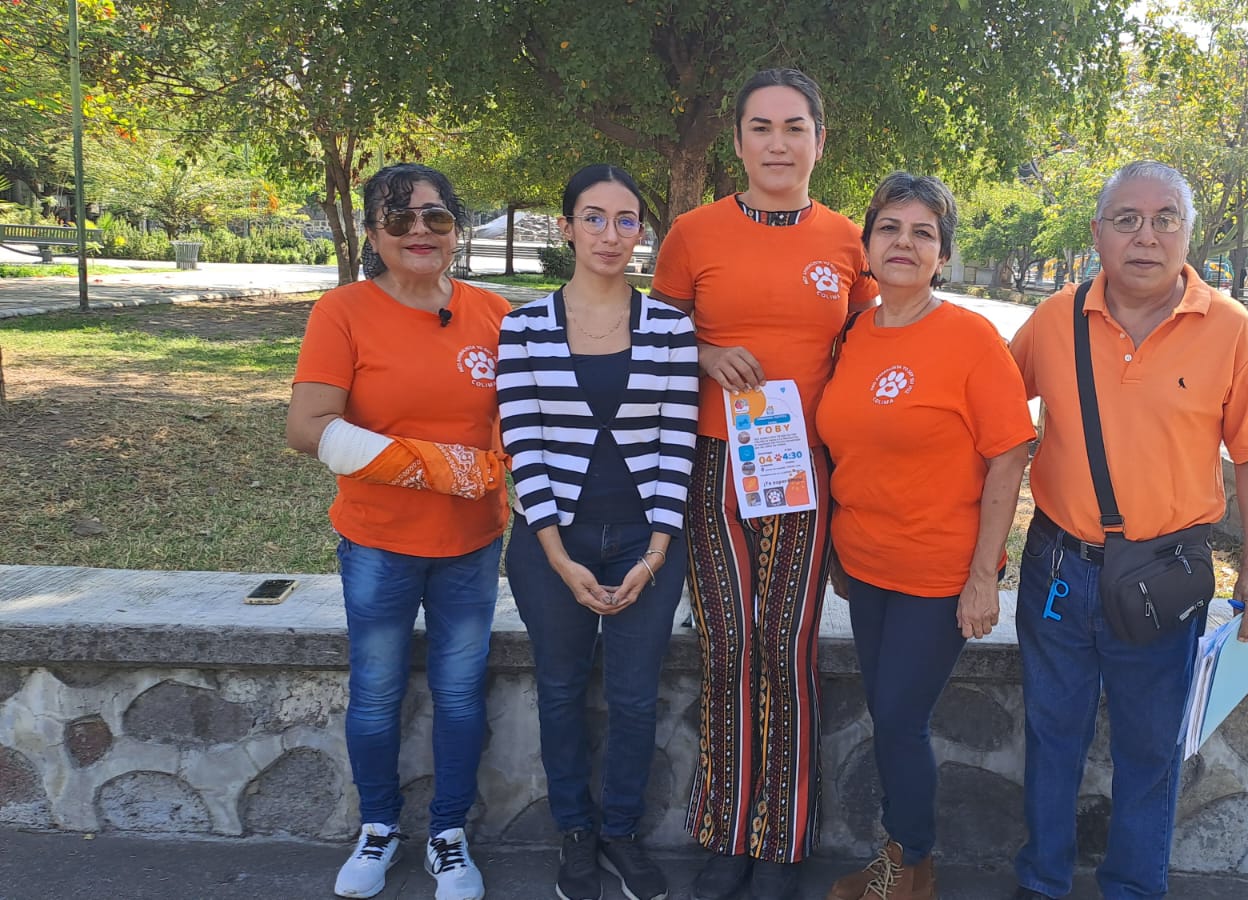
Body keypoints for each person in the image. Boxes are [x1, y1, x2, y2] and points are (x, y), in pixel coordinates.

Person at [1008, 160, 1248, 900]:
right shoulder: (1054, 319)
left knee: (1149, 750)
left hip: (1165, 578)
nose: (1146, 236)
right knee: (1052, 737)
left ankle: (1134, 889)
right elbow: (991, 416)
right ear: (1098, 234)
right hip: (1059, 569)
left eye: (1166, 219)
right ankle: (1042, 883)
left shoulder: (1227, 328)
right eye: (1126, 219)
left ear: (1190, 235)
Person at [650, 67, 878, 900]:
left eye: (794, 127)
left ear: (821, 138)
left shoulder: (849, 242)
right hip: (713, 464)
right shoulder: (692, 234)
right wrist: (705, 354)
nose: (778, 144)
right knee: (728, 645)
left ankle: (780, 840)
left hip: (803, 471)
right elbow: (658, 336)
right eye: (760, 128)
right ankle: (725, 831)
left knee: (785, 648)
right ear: (737, 141)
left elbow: (869, 349)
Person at [286, 163, 510, 900]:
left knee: (459, 694)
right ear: (374, 232)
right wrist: (437, 466)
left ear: (456, 228)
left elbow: (521, 429)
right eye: (400, 219)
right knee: (377, 693)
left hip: (472, 546)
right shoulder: (342, 312)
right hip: (378, 540)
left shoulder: (497, 314)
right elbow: (308, 428)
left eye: (436, 218)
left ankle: (449, 834)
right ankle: (378, 826)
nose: (420, 232)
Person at [817, 173, 1035, 900]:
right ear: (868, 244)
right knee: (887, 715)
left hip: (937, 573)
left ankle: (911, 867)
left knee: (900, 722)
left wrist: (984, 576)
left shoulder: (970, 339)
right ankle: (905, 857)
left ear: (941, 254)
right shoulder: (853, 332)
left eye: (923, 233)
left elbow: (1009, 453)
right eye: (890, 229)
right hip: (867, 567)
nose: (904, 243)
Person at [497, 164, 697, 900]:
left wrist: (654, 554)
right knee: (560, 689)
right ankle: (574, 832)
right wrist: (557, 556)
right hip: (555, 543)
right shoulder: (523, 326)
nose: (610, 234)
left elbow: (680, 445)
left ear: (640, 230)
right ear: (567, 227)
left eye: (624, 219)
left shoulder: (672, 329)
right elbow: (526, 447)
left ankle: (621, 832)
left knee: (637, 697)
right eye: (593, 217)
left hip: (645, 542)